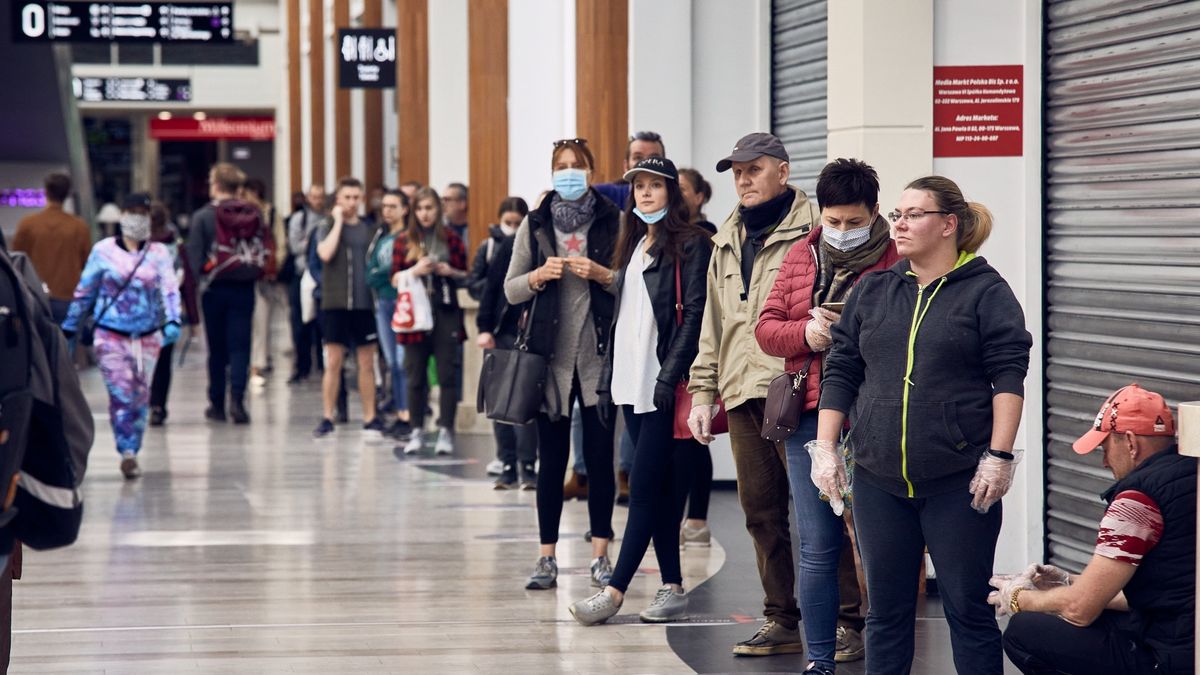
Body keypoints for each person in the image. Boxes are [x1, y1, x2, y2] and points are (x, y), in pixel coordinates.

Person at [811, 175, 1033, 674]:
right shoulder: (876, 290)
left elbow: (1008, 376)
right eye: (897, 215)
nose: (900, 224)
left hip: (959, 483)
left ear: (948, 224)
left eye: (914, 214)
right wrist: (825, 448)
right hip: (877, 479)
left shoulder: (986, 291)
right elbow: (843, 368)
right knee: (885, 616)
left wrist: (998, 457)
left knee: (968, 612)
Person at [754, 158, 900, 672]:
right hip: (811, 417)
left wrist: (852, 329)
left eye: (852, 223)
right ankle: (819, 661)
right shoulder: (801, 254)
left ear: (875, 212)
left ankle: (884, 653)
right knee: (816, 541)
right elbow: (766, 328)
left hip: (877, 415)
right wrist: (805, 335)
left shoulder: (897, 259)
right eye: (832, 221)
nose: (840, 232)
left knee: (881, 542)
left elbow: (911, 337)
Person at [685, 132, 817, 657]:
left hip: (798, 391)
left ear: (782, 173)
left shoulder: (815, 231)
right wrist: (702, 393)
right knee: (761, 512)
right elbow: (712, 325)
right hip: (742, 393)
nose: (742, 180)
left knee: (820, 513)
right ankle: (781, 618)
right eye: (736, 172)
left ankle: (848, 622)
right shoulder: (726, 239)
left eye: (753, 169)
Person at [568, 156, 713, 625]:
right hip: (632, 385)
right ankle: (672, 587)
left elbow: (693, 317)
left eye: (655, 185)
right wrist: (611, 381)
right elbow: (626, 319)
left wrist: (669, 378)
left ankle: (614, 592)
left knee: (645, 489)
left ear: (673, 192)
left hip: (661, 387)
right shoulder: (633, 244)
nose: (645, 193)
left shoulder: (692, 245)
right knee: (664, 490)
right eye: (639, 187)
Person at [993, 384, 1195, 675]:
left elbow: (1080, 611)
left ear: (1130, 442)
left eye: (1105, 447)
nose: (1103, 462)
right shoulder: (1189, 474)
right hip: (1185, 640)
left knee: (1025, 631)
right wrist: (1068, 582)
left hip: (1167, 657)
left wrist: (1017, 598)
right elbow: (1161, 590)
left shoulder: (1136, 501)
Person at [504, 138, 620, 590]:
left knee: (599, 460)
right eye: (561, 166)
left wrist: (602, 275)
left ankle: (600, 554)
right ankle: (546, 556)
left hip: (598, 359)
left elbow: (633, 285)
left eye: (577, 166)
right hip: (549, 361)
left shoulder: (616, 221)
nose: (569, 173)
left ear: (591, 170)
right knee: (549, 461)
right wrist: (536, 277)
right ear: (552, 173)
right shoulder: (534, 225)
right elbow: (510, 289)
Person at [63, 193, 181, 479]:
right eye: (132, 211)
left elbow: (168, 287)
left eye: (142, 212)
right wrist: (71, 325)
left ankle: (133, 447)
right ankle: (126, 450)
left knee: (141, 396)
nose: (137, 217)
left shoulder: (159, 253)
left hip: (148, 336)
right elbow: (85, 289)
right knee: (120, 393)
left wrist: (174, 319)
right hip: (111, 335)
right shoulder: (103, 251)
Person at [185, 162, 270, 425]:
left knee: (218, 348)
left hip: (214, 288)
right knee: (240, 346)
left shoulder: (202, 217)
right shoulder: (254, 213)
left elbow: (194, 260)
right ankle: (238, 401)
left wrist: (192, 294)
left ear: (217, 185)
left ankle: (217, 403)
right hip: (245, 287)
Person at [392, 187, 468, 455]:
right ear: (414, 211)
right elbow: (394, 278)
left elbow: (466, 274)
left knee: (447, 373)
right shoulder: (403, 240)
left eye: (430, 208)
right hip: (414, 314)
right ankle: (416, 430)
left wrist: (451, 271)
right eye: (420, 209)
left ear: (439, 210)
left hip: (444, 310)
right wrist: (414, 270)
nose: (425, 214)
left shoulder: (451, 239)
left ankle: (446, 429)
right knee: (415, 375)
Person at [472, 196, 538, 490]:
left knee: (527, 402)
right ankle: (507, 464)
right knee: (500, 400)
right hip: (503, 332)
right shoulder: (510, 246)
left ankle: (527, 465)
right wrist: (484, 327)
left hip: (534, 336)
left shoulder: (551, 248)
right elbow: (491, 289)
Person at [311, 177, 384, 437]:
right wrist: (338, 220)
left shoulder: (370, 229)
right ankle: (328, 415)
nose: (352, 202)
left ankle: (370, 415)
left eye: (356, 197)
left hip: (364, 304)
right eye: (347, 197)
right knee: (333, 360)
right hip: (335, 302)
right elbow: (325, 254)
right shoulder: (326, 225)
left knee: (366, 361)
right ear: (338, 199)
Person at [675, 166, 717, 548]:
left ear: (700, 196)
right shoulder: (660, 238)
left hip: (698, 351)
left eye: (682, 189)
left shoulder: (708, 238)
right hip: (671, 353)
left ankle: (698, 518)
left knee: (694, 439)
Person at [11, 172, 92, 324]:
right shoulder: (79, 227)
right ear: (67, 195)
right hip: (67, 296)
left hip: (34, 294)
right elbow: (87, 263)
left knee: (37, 344)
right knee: (65, 344)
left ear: (46, 192)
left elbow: (16, 260)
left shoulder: (28, 224)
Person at [366, 189, 413, 439]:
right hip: (383, 302)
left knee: (403, 360)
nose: (387, 211)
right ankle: (399, 410)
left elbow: (399, 269)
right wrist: (384, 272)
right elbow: (370, 273)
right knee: (392, 362)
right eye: (384, 206)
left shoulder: (408, 237)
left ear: (405, 209)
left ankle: (409, 415)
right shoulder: (380, 238)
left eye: (393, 206)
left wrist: (384, 272)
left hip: (403, 302)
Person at [148, 201, 199, 426]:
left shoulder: (136, 245)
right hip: (167, 312)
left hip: (141, 312)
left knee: (142, 360)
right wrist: (194, 319)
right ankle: (159, 405)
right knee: (163, 361)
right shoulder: (175, 246)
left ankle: (145, 401)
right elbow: (187, 282)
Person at [244, 178, 290, 385]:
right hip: (244, 274)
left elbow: (280, 242)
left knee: (262, 320)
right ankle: (251, 361)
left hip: (264, 275)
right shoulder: (239, 213)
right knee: (251, 321)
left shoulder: (270, 213)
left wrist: (275, 265)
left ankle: (258, 363)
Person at [286, 184, 327, 384]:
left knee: (322, 324)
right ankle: (301, 365)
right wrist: (314, 244)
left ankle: (322, 364)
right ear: (308, 198)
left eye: (321, 196)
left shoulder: (329, 220)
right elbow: (295, 246)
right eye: (314, 196)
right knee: (300, 322)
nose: (318, 200)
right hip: (301, 275)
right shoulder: (299, 219)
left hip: (322, 275)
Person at [593, 131, 666, 208]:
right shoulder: (602, 194)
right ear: (626, 166)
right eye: (638, 157)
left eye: (653, 158)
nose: (646, 163)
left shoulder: (675, 201)